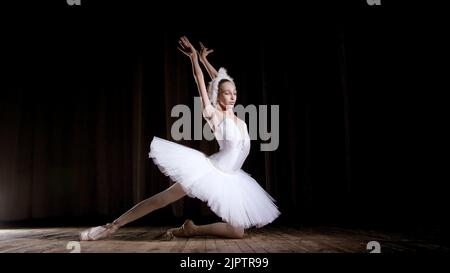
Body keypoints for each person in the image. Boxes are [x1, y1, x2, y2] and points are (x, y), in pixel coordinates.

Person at [79, 36, 280, 241]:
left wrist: (205, 59)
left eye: (234, 93)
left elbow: (218, 79)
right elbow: (202, 81)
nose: (233, 96)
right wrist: (194, 59)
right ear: (218, 96)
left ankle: (191, 229)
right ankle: (111, 226)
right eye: (227, 94)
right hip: (210, 171)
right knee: (163, 199)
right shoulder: (212, 114)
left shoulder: (238, 119)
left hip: (234, 177)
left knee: (236, 232)